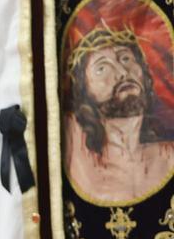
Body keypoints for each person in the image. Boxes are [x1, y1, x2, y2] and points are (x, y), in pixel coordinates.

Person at [64, 24, 174, 203]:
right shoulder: (79, 158)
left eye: (126, 59)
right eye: (102, 68)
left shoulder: (169, 156)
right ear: (85, 90)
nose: (123, 73)